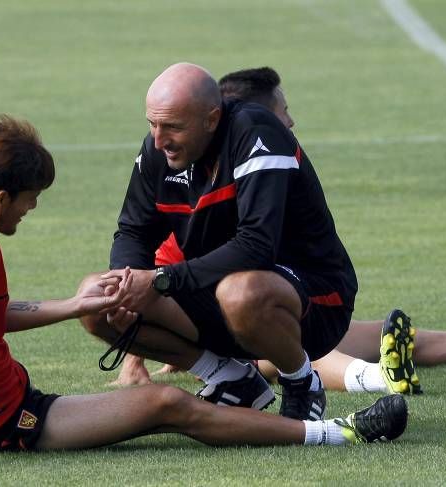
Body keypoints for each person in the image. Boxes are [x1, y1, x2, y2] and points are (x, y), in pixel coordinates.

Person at [0, 114, 408, 473]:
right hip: (4, 418)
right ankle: (338, 433)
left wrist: (77, 307)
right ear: (1, 200)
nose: (33, 208)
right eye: (32, 198)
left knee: (144, 370)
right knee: (168, 408)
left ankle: (236, 380)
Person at [111, 67, 446, 397]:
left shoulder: (266, 168)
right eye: (283, 113)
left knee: (345, 331)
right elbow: (151, 275)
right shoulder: (210, 168)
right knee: (267, 323)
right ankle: (380, 377)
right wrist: (135, 352)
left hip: (279, 305)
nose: (290, 125)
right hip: (247, 317)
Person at [80, 62, 357, 422]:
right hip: (218, 291)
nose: (159, 139)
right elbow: (133, 231)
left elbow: (257, 246)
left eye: (172, 127)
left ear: (211, 119)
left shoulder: (256, 133)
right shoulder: (157, 151)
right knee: (95, 296)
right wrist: (126, 282)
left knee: (241, 293)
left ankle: (302, 383)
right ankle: (230, 379)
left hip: (315, 299)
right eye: (153, 124)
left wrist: (162, 280)